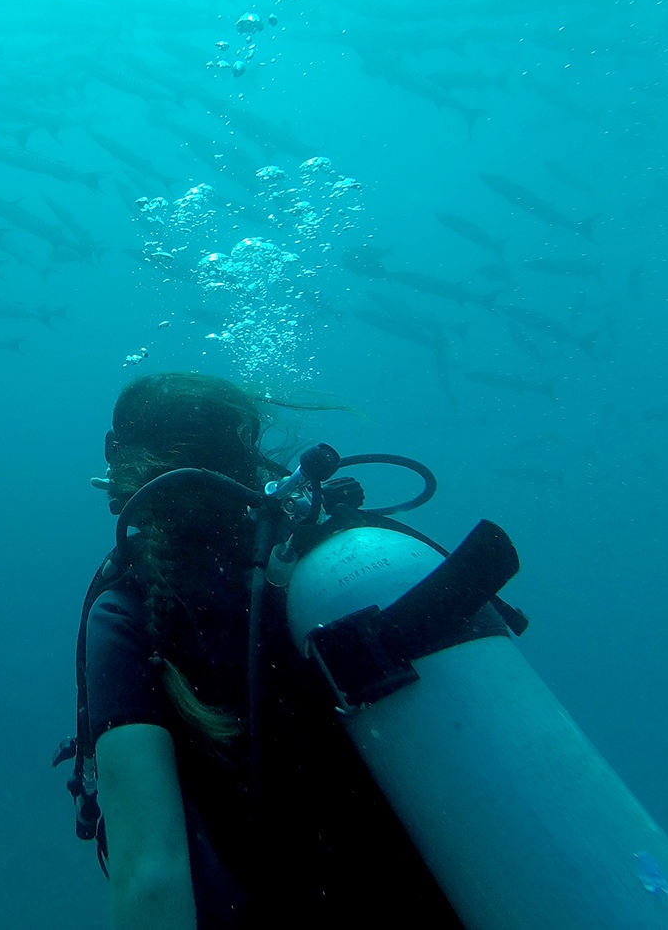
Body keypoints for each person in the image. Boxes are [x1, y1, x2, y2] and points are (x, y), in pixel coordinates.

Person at [84, 372, 464, 930]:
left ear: (122, 458)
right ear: (251, 458)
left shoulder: (128, 612)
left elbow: (151, 875)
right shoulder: (330, 573)